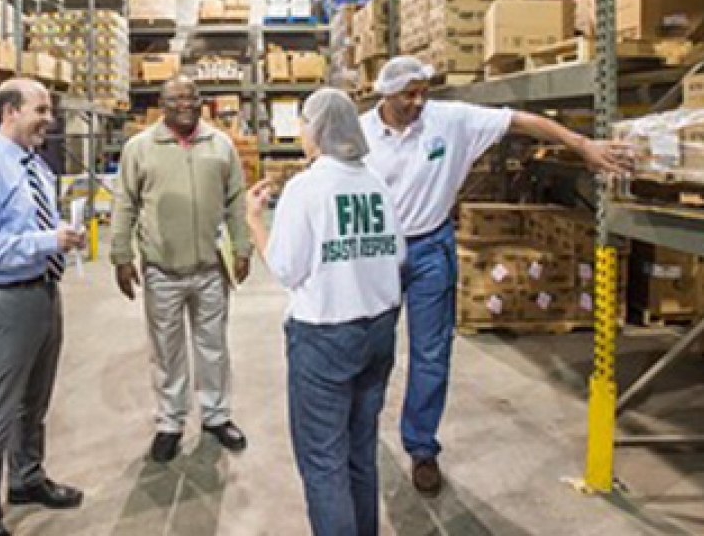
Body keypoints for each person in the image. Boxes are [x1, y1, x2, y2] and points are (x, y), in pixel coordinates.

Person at [359, 56, 634, 498]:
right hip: (376, 252)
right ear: (384, 94)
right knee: (373, 350)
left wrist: (582, 146)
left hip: (431, 246)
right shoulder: (361, 133)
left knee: (431, 354)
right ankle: (361, 436)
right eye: (407, 94)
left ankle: (421, 447)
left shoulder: (451, 120)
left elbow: (521, 121)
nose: (418, 101)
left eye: (422, 91)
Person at [247, 88, 404, 536]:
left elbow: (285, 268)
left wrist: (255, 221)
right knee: (360, 452)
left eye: (303, 123)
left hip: (325, 338)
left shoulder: (307, 188)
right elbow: (393, 255)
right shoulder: (375, 183)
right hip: (378, 330)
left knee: (323, 461)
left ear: (317, 128)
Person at [0, 78, 86, 536]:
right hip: (6, 302)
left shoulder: (35, 165)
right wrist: (47, 240)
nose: (49, 119)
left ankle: (27, 479)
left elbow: (29, 226)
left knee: (34, 402)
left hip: (43, 292)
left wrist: (59, 237)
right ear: (10, 111)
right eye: (41, 110)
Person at [110, 75, 252, 463]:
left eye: (191, 97)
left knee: (213, 346)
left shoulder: (220, 145)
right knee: (167, 350)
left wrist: (243, 246)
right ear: (162, 103)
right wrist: (121, 256)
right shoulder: (140, 148)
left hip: (209, 268)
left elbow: (236, 202)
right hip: (162, 271)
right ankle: (170, 422)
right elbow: (124, 204)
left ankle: (217, 416)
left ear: (200, 101)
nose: (185, 105)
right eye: (175, 99)